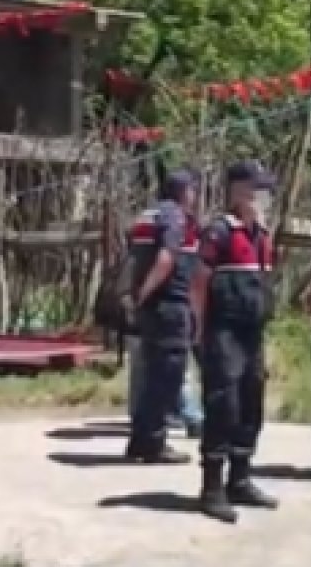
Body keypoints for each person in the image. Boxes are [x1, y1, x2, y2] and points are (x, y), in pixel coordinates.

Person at [192, 160, 280, 523]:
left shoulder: (260, 234)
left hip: (251, 332)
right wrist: (198, 325)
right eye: (256, 189)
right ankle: (212, 487)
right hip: (222, 331)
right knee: (223, 402)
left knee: (251, 401)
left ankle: (240, 479)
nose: (262, 197)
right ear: (238, 190)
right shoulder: (219, 231)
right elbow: (199, 280)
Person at [122, 169, 198, 464]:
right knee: (168, 375)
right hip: (168, 303)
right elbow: (166, 259)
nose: (195, 197)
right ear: (184, 191)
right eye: (193, 190)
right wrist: (147, 290)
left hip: (151, 308)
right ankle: (154, 442)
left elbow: (133, 257)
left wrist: (137, 295)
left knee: (151, 374)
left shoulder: (146, 215)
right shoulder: (174, 217)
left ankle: (140, 440)